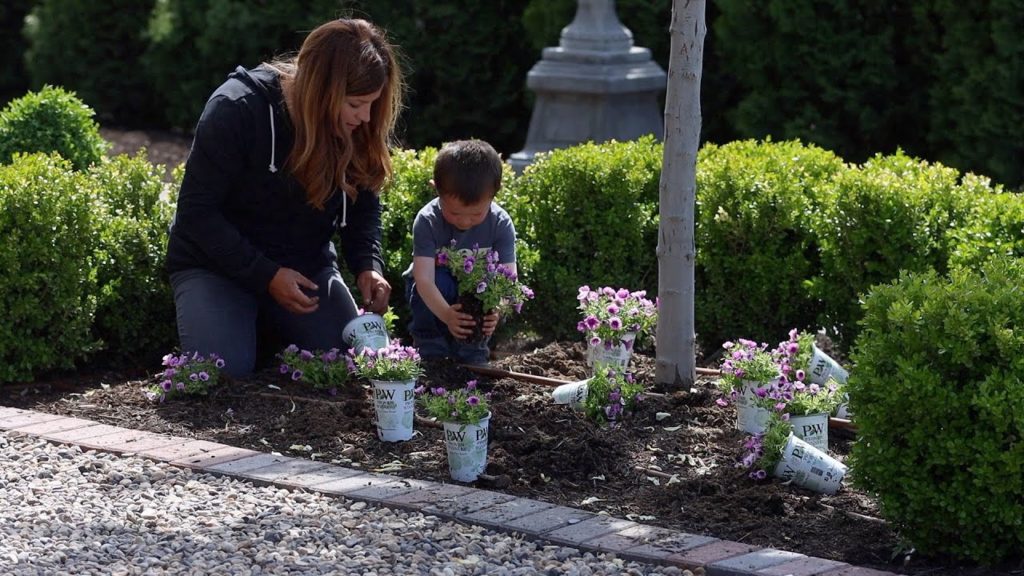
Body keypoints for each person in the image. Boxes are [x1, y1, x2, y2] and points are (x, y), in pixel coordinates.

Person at [165, 19, 403, 377]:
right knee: (223, 371)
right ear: (321, 91)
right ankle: (243, 322)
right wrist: (267, 276)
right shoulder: (236, 108)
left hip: (305, 269)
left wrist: (368, 264)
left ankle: (263, 325)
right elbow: (197, 215)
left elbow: (363, 203)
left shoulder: (357, 125)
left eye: (371, 104)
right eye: (355, 104)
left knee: (344, 362)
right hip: (216, 266)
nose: (366, 117)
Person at [407, 139, 517, 365]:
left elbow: (508, 279)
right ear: (436, 189)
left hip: (475, 290)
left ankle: (473, 351)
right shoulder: (428, 221)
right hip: (433, 291)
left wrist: (497, 308)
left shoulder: (500, 223)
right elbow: (424, 279)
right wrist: (448, 316)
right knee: (439, 280)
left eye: (476, 214)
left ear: (494, 195)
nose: (465, 221)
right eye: (455, 213)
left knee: (486, 288)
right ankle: (431, 349)